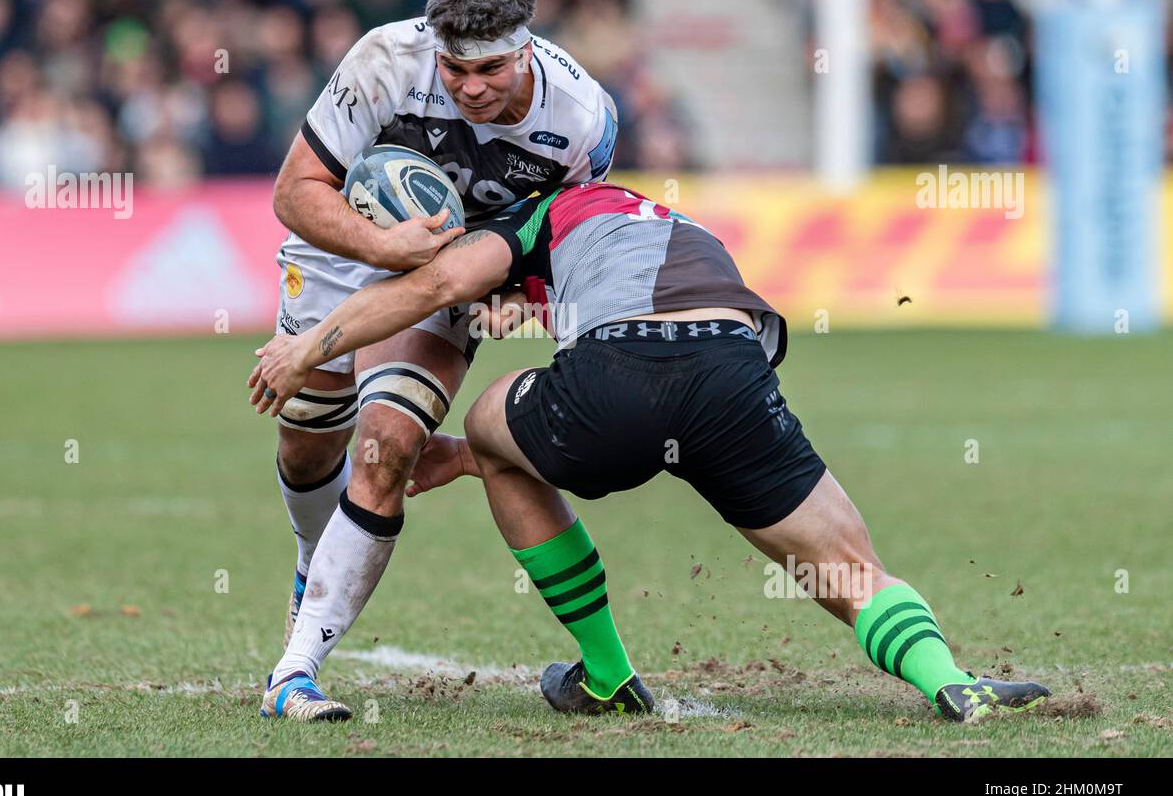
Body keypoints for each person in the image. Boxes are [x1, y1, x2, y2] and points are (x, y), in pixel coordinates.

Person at [250, 181, 1052, 723]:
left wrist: (310, 347)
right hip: (732, 374)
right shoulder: (660, 221)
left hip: (621, 376)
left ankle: (606, 673)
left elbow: (435, 289)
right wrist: (532, 308)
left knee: (494, 433)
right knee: (845, 564)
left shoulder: (540, 213)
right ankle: (952, 684)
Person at [259, 0, 619, 720]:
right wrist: (381, 247)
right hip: (341, 247)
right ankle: (309, 565)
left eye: (491, 68)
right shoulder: (387, 59)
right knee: (306, 444)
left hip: (454, 269)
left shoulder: (583, 120)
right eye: (456, 70)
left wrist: (520, 299)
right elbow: (294, 192)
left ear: (527, 48)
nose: (472, 87)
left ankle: (294, 672)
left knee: (385, 443)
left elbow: (565, 242)